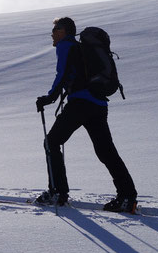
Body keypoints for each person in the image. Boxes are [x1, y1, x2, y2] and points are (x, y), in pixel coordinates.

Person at [35, 17, 137, 212]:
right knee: (106, 151)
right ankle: (127, 197)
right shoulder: (81, 49)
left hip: (81, 103)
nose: (52, 34)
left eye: (55, 29)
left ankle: (58, 192)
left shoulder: (66, 46)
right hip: (98, 104)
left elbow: (62, 74)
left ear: (64, 31)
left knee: (52, 142)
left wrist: (48, 98)